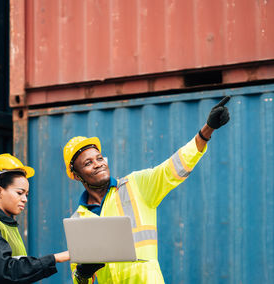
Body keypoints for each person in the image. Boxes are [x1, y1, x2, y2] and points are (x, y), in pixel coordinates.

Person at [62, 96, 231, 283]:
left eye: (99, 158)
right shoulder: (77, 221)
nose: (98, 164)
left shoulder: (136, 185)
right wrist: (82, 274)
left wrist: (206, 131)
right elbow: (80, 281)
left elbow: (173, 168)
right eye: (88, 163)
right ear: (77, 175)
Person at [0, 153, 70, 283]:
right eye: (19, 193)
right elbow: (5, 271)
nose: (25, 199)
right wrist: (56, 258)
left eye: (26, 194)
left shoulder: (6, 226)